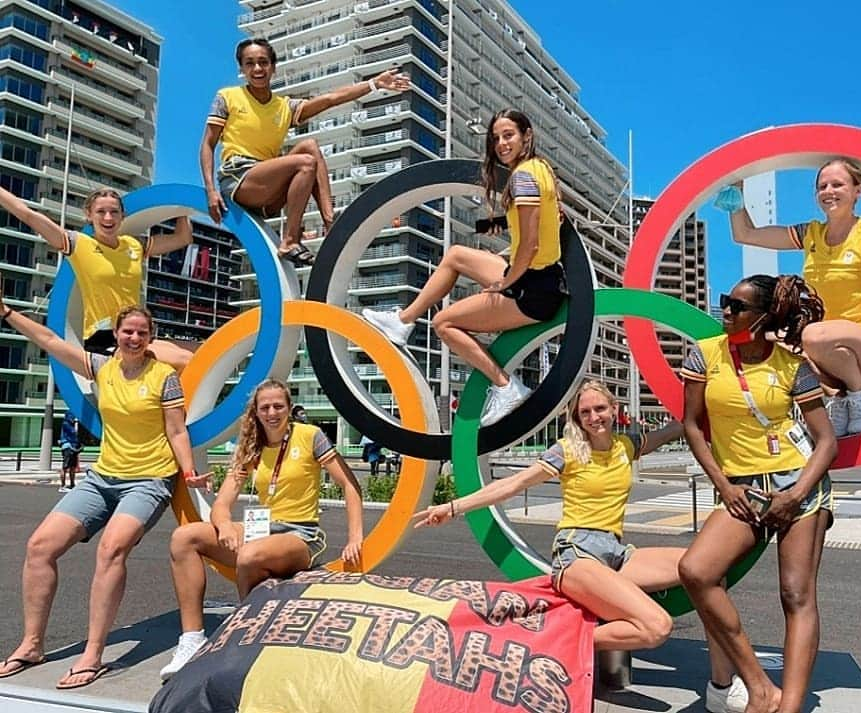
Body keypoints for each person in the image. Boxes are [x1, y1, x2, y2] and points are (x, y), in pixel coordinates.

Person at [0, 304, 209, 689]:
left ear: (151, 338)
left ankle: (93, 653)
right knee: (39, 547)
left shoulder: (165, 377)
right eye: (127, 331)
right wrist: (7, 312)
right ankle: (31, 645)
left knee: (111, 549)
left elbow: (177, 431)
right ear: (116, 333)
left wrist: (188, 471)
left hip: (148, 480)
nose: (134, 338)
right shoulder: (101, 368)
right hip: (103, 478)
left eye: (142, 333)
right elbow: (48, 340)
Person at [414, 381, 686, 653]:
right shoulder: (568, 450)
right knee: (657, 626)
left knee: (698, 565)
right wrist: (452, 508)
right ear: (577, 418)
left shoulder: (625, 446)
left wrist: (708, 409)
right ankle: (556, 644)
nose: (594, 418)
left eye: (600, 408)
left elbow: (675, 429)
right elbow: (514, 484)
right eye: (585, 412)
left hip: (617, 552)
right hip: (578, 553)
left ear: (614, 409)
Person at [679, 274, 838, 713]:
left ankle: (788, 709)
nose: (726, 311)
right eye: (725, 301)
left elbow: (826, 441)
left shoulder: (793, 366)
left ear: (765, 316)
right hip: (742, 488)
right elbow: (692, 425)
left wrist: (796, 495)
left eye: (737, 306)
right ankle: (760, 688)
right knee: (696, 571)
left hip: (799, 486)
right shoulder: (705, 353)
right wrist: (724, 485)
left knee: (796, 594)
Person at [364, 109, 567, 426]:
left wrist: (504, 282)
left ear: (527, 135)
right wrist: (506, 260)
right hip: (538, 275)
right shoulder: (540, 169)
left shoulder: (524, 177)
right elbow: (543, 233)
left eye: (508, 135)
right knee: (457, 254)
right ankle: (403, 321)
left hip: (533, 289)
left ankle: (506, 386)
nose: (501, 144)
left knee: (444, 324)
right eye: (496, 138)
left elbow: (531, 246)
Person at [161, 378, 363, 681]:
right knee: (184, 537)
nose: (272, 412)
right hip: (262, 529)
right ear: (255, 411)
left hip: (300, 534)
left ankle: (245, 640)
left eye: (278, 406)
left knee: (249, 555)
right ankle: (192, 639)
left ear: (289, 408)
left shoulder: (310, 436)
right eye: (265, 407)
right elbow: (222, 503)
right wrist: (225, 525)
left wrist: (355, 537)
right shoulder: (252, 446)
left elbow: (350, 485)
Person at [724, 160, 861, 436]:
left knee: (809, 335)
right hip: (828, 348)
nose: (828, 191)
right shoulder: (811, 234)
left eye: (838, 184)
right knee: (765, 340)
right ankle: (843, 395)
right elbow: (745, 234)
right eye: (822, 186)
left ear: (859, 190)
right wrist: (736, 191)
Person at [200, 38, 410, 266]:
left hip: (267, 190)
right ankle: (290, 240)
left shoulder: (284, 107)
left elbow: (330, 99)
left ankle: (330, 223)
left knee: (310, 146)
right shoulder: (228, 97)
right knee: (305, 162)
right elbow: (207, 144)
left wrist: (374, 84)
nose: (257, 68)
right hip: (238, 180)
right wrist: (211, 190)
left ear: (273, 67)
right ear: (241, 68)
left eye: (263, 62)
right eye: (250, 63)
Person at [0, 186, 196, 369]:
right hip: (104, 339)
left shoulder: (133, 244)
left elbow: (182, 238)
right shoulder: (78, 245)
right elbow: (28, 215)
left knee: (200, 351)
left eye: (114, 212)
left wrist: (182, 208)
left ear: (122, 216)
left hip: (137, 334)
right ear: (89, 215)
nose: (108, 218)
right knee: (186, 360)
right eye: (101, 212)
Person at [58, 410, 82, 493]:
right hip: (67, 447)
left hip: (73, 447)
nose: (73, 418)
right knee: (65, 467)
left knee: (72, 467)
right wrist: (76, 423)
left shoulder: (69, 424)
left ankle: (72, 484)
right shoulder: (66, 424)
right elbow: (74, 432)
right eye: (72, 416)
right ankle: (62, 486)